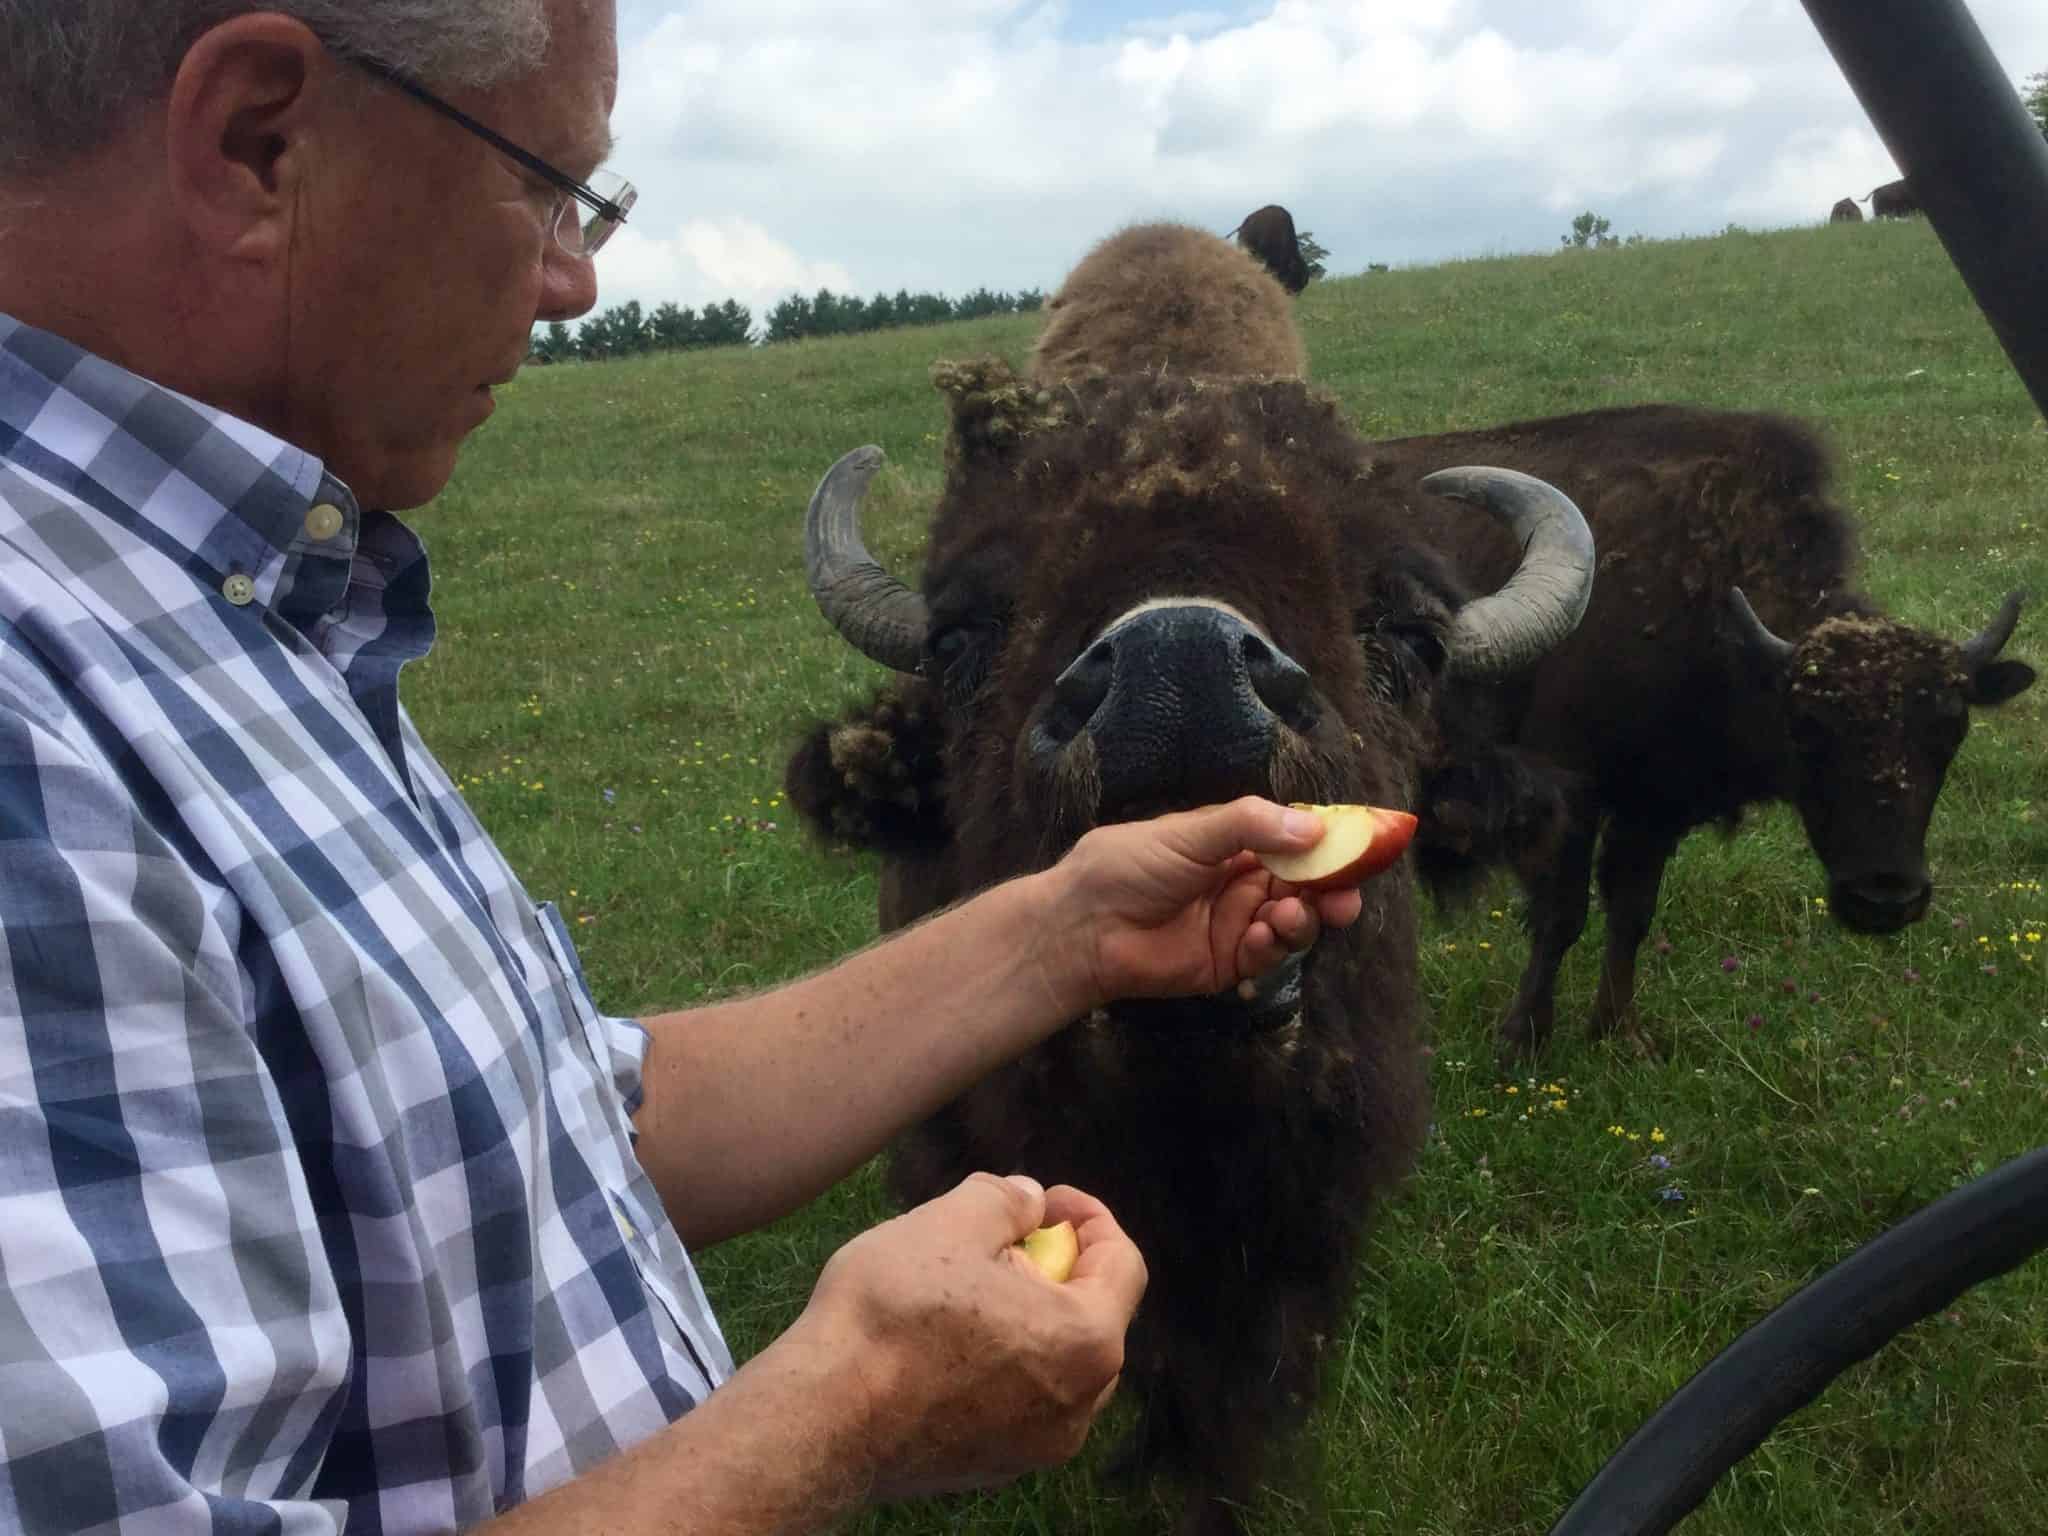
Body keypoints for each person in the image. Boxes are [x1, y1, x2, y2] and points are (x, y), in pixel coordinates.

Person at [0, 3, 1364, 1530]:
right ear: (259, 141)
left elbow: (547, 1120)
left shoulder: (223, 598)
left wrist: (1070, 930)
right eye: (546, 184)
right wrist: (849, 1417)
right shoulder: (30, 721)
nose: (578, 281)